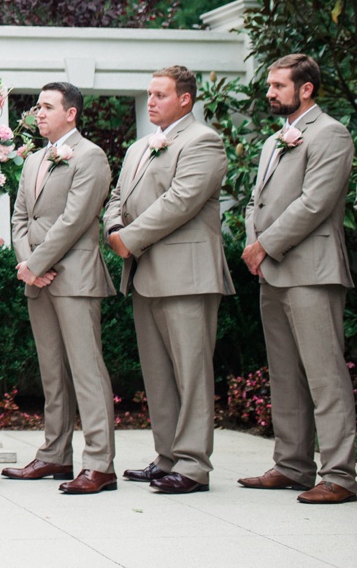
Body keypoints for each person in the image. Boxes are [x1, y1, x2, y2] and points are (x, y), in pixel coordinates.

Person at [105, 65, 232, 494]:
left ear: (185, 99)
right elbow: (118, 198)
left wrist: (130, 239)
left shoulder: (204, 141)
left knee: (191, 372)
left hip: (186, 275)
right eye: (150, 94)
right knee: (158, 373)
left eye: (161, 94)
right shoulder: (139, 147)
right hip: (144, 274)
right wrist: (111, 230)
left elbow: (182, 201)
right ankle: (167, 456)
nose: (152, 101)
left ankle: (194, 466)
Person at [237, 54, 356, 504]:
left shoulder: (332, 134)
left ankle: (341, 474)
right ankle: (292, 466)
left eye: (278, 85)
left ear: (306, 88)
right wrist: (256, 246)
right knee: (285, 374)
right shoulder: (273, 141)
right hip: (272, 271)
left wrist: (264, 245)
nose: (270, 92)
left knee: (325, 376)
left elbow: (315, 203)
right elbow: (255, 203)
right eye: (270, 85)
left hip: (312, 270)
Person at [5, 83, 116, 494]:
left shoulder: (91, 156)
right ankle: (55, 455)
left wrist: (35, 265)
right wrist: (27, 264)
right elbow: (19, 217)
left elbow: (75, 219)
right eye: (37, 106)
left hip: (75, 278)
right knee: (53, 374)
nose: (39, 113)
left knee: (87, 373)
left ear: (71, 113)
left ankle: (100, 464)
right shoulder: (33, 159)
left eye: (48, 106)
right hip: (38, 279)